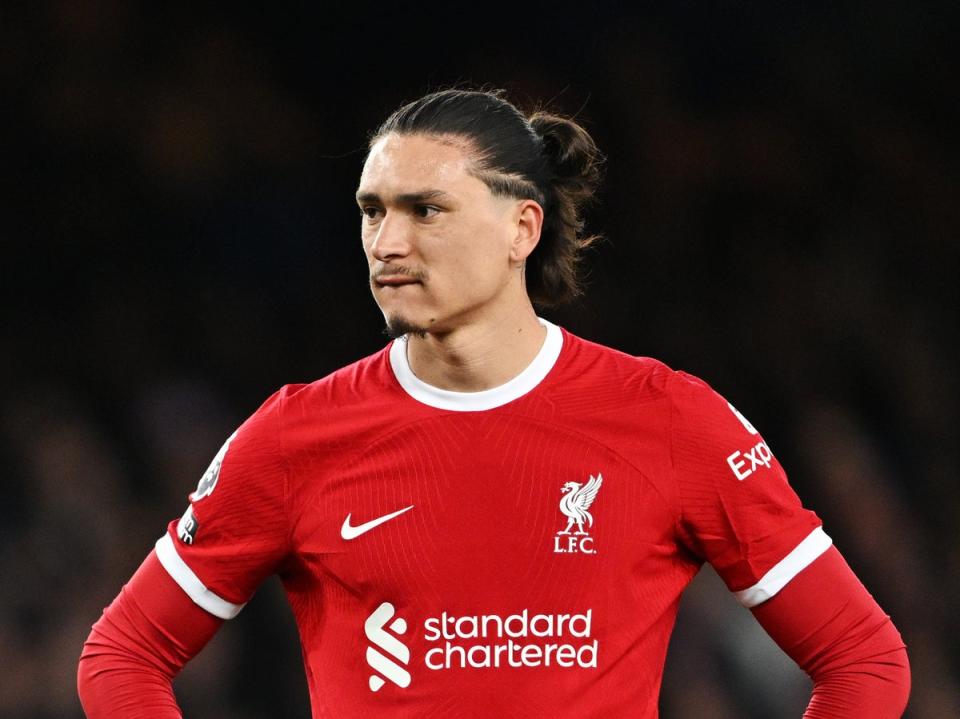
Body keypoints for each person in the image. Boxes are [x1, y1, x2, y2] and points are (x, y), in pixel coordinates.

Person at [78, 89, 911, 718]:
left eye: (426, 210)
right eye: (372, 212)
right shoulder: (299, 434)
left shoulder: (668, 419)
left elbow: (863, 657)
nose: (387, 243)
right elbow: (121, 656)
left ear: (524, 227)